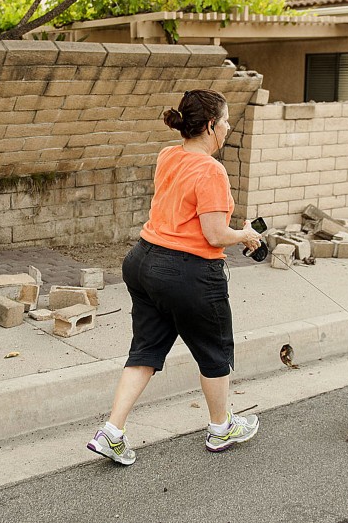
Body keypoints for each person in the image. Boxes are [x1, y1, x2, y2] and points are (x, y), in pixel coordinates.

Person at [87, 88, 263, 465]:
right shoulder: (212, 170)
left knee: (146, 351)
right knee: (214, 350)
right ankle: (222, 428)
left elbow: (182, 215)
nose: (230, 127)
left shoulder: (168, 155)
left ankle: (111, 433)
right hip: (187, 272)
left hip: (143, 262)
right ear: (212, 126)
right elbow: (215, 235)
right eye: (227, 121)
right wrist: (246, 235)